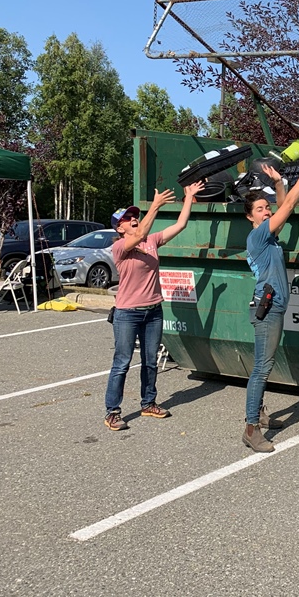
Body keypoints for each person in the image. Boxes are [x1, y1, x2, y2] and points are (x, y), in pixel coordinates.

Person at [104, 181, 204, 431]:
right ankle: (112, 412)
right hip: (127, 313)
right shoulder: (119, 248)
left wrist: (189, 197)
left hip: (153, 311)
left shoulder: (151, 241)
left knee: (150, 361)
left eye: (135, 215)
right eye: (128, 218)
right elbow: (137, 235)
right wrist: (156, 206)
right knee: (122, 362)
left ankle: (148, 403)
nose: (133, 219)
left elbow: (180, 225)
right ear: (120, 227)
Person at [242, 152, 299, 452]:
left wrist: (278, 183)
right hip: (267, 309)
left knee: (264, 365)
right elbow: (286, 208)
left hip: (273, 307)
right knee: (262, 367)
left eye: (266, 207)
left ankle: (259, 414)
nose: (265, 211)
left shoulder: (270, 239)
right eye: (260, 209)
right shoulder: (258, 237)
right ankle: (250, 428)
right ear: (250, 217)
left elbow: (284, 208)